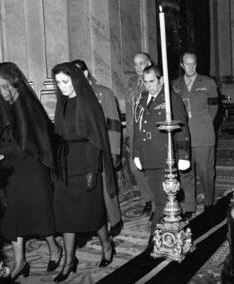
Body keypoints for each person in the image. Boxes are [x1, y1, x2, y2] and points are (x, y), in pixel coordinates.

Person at [0, 62, 62, 280]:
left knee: (39, 212)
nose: (2, 91)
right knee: (12, 215)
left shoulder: (29, 104)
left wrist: (4, 152)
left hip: (32, 168)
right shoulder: (2, 105)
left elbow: (36, 141)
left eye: (4, 85)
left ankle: (54, 248)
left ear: (14, 83)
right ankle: (20, 262)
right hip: (10, 169)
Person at [52, 62, 116, 282]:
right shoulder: (63, 103)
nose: (61, 86)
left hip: (85, 164)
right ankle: (69, 260)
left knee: (90, 212)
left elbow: (96, 140)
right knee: (65, 213)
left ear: (76, 80)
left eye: (65, 82)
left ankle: (107, 245)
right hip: (65, 165)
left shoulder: (88, 103)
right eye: (58, 82)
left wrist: (91, 170)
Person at [132, 65, 190, 246]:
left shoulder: (171, 99)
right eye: (145, 82)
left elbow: (182, 127)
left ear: (161, 80)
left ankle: (156, 234)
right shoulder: (142, 98)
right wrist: (136, 153)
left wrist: (183, 155)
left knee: (162, 199)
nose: (148, 86)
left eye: (152, 82)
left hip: (166, 156)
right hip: (149, 156)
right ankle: (165, 230)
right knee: (159, 196)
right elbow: (137, 127)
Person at [72, 59, 123, 237]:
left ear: (85, 74)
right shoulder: (72, 97)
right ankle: (94, 222)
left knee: (106, 184)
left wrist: (115, 150)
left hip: (104, 146)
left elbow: (115, 124)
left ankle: (115, 220)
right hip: (82, 150)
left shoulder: (103, 93)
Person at [172, 52, 219, 219]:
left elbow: (214, 108)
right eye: (187, 64)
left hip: (203, 134)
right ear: (182, 65)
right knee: (185, 172)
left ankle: (209, 203)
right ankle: (189, 206)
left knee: (206, 172)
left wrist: (204, 122)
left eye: (194, 64)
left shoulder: (207, 82)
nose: (191, 67)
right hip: (182, 136)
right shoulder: (175, 85)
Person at [126, 52, 154, 218]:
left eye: (141, 63)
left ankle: (156, 203)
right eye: (135, 64)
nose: (138, 68)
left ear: (149, 63)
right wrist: (129, 133)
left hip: (149, 133)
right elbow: (130, 110)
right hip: (134, 133)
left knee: (151, 169)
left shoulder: (154, 81)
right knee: (135, 168)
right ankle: (148, 199)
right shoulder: (131, 82)